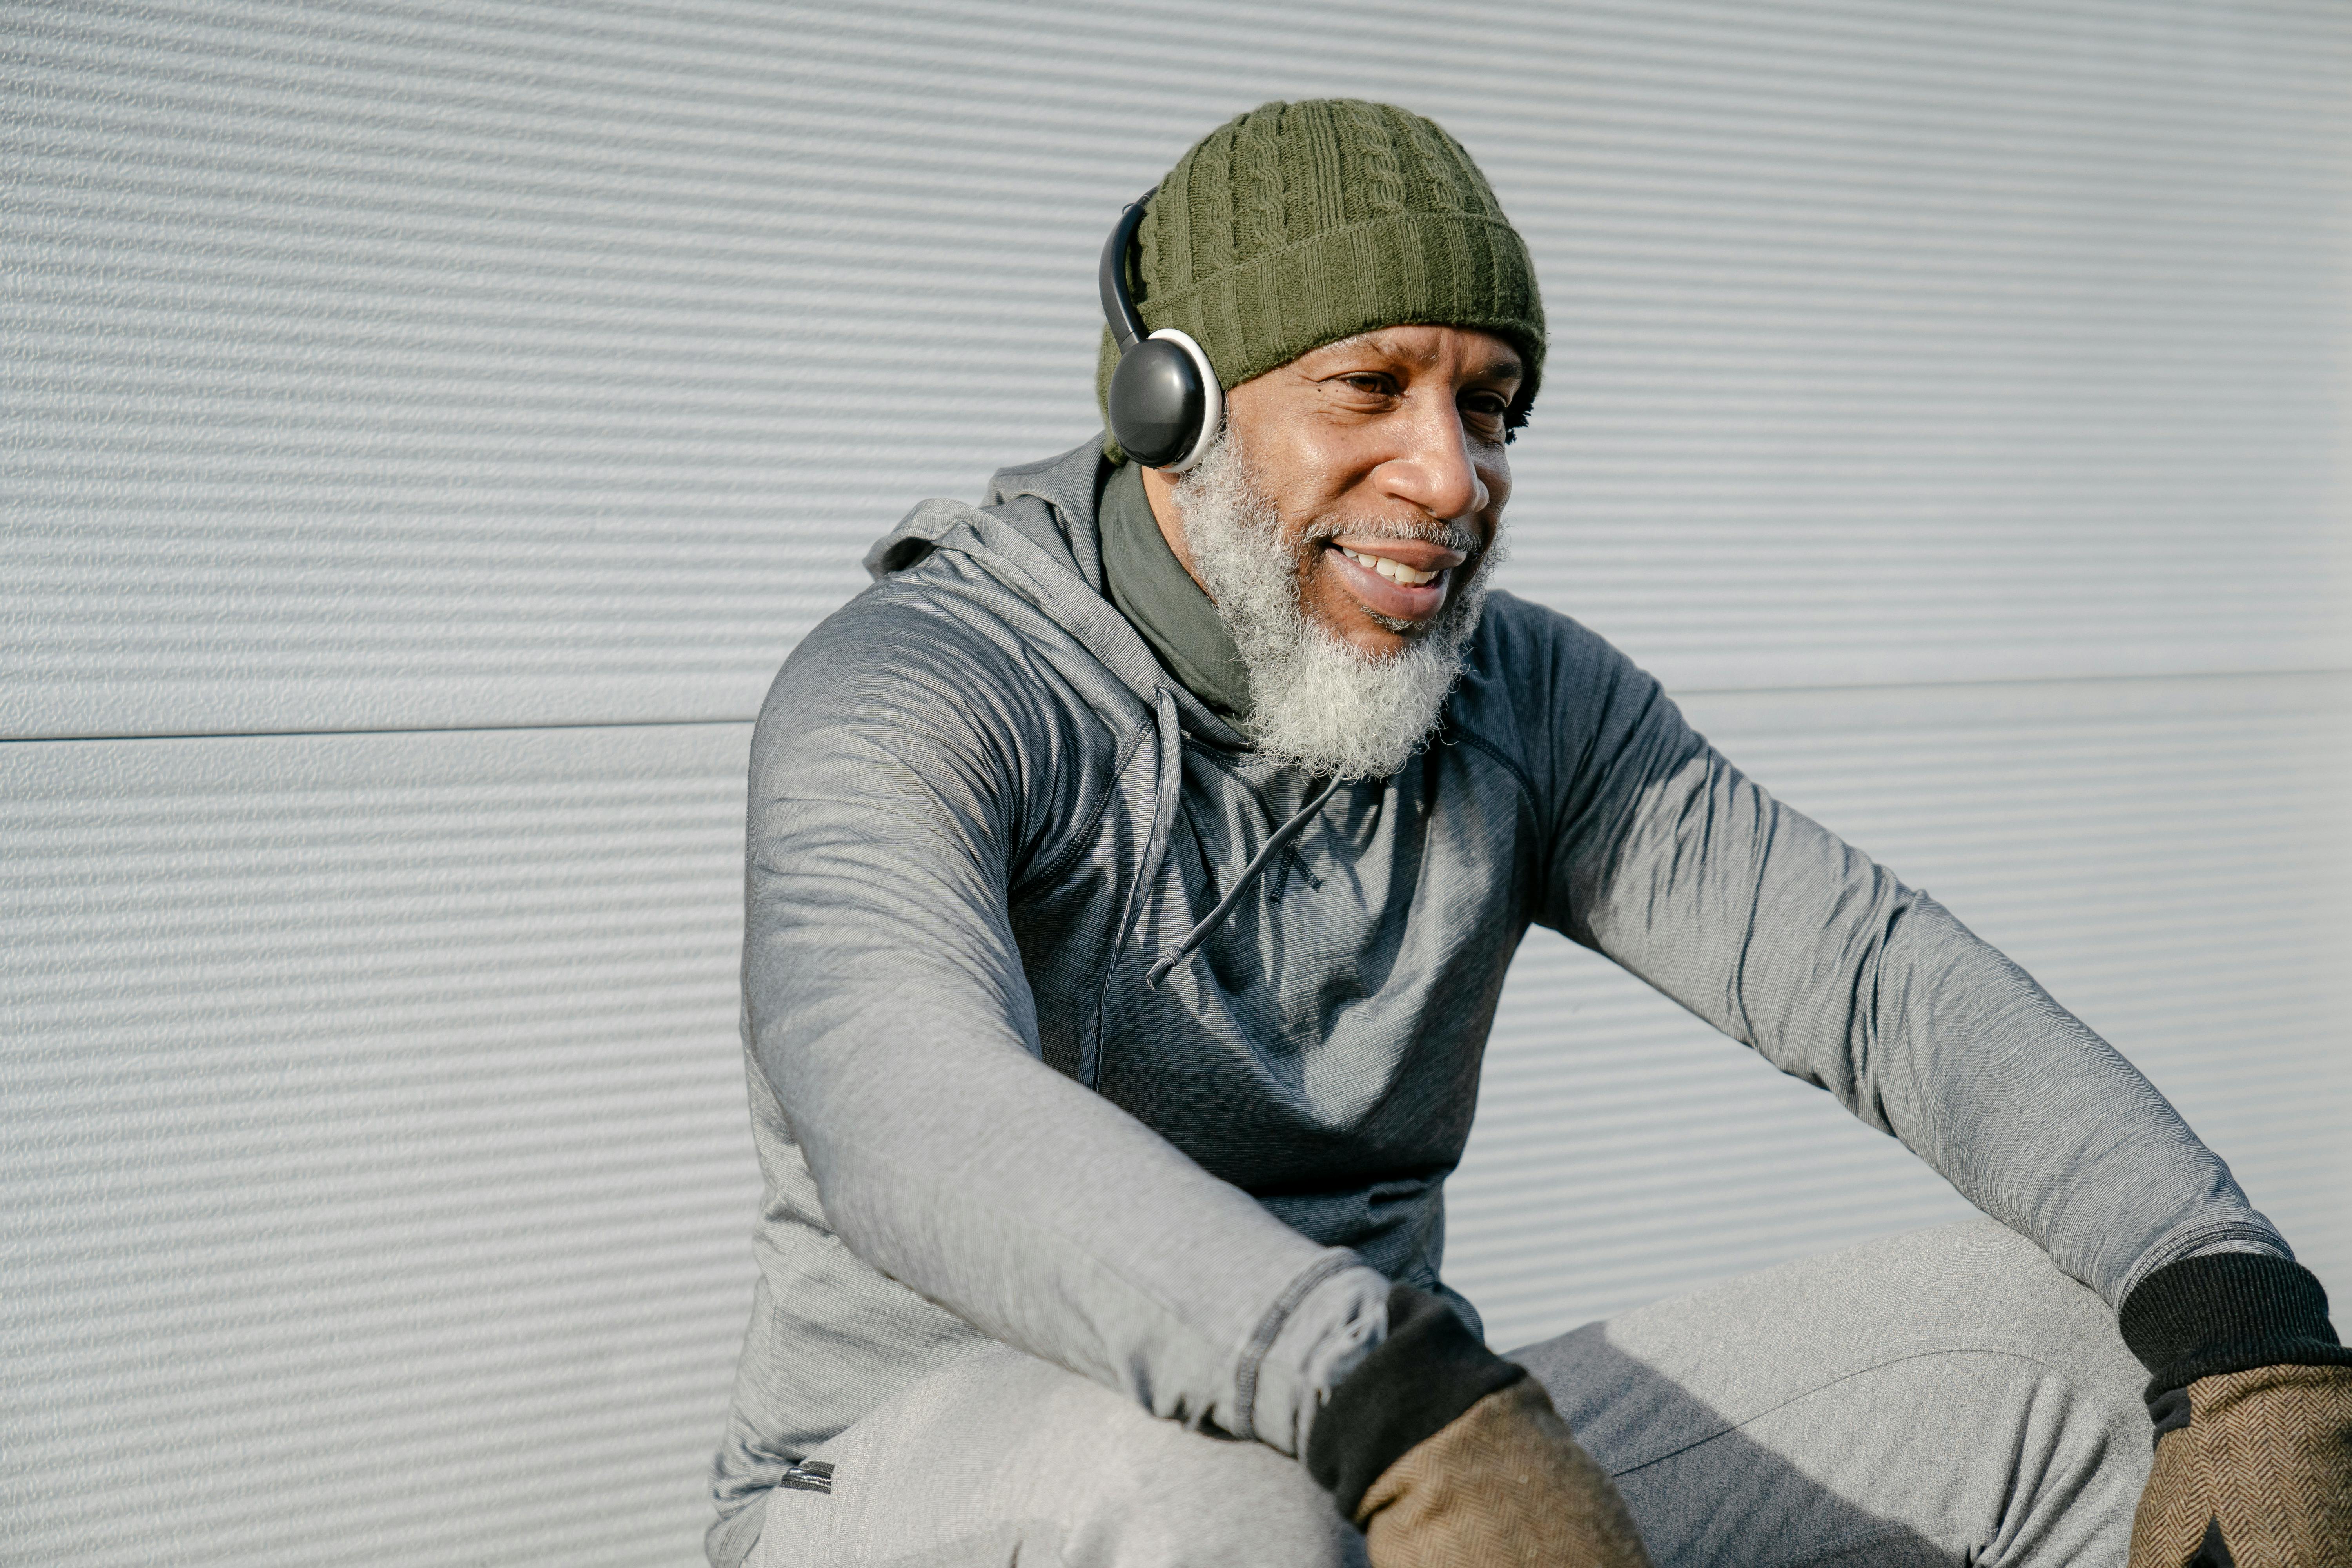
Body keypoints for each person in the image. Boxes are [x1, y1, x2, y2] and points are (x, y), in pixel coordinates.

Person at [710, 100, 2350, 1568]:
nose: (1452, 472)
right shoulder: (924, 687)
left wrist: (2234, 1302)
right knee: (1229, 1497)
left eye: (1488, 406)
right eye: (1372, 386)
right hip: (924, 1483)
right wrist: (1383, 1392)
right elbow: (906, 1096)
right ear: (1175, 405)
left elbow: (1875, 981)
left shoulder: (1517, 701)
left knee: (2064, 1363)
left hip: (1382, 1424)